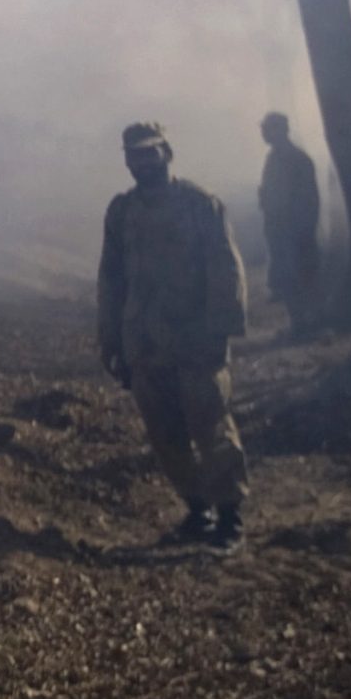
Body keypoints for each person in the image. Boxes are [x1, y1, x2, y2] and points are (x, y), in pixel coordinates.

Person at [97, 122, 250, 552]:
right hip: (143, 345)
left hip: (196, 341)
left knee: (212, 428)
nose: (142, 163)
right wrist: (110, 341)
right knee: (166, 436)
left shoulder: (200, 204)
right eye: (134, 155)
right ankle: (198, 510)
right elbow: (110, 279)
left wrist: (221, 331)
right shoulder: (122, 212)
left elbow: (227, 270)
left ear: (167, 152)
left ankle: (229, 517)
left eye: (149, 153)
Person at [257, 111, 324, 338]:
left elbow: (309, 199)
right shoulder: (273, 158)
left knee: (302, 277)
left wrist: (303, 229)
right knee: (287, 279)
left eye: (269, 128)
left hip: (296, 230)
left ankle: (308, 325)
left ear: (282, 130)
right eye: (264, 128)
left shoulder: (298, 159)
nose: (265, 133)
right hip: (279, 229)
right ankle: (299, 323)